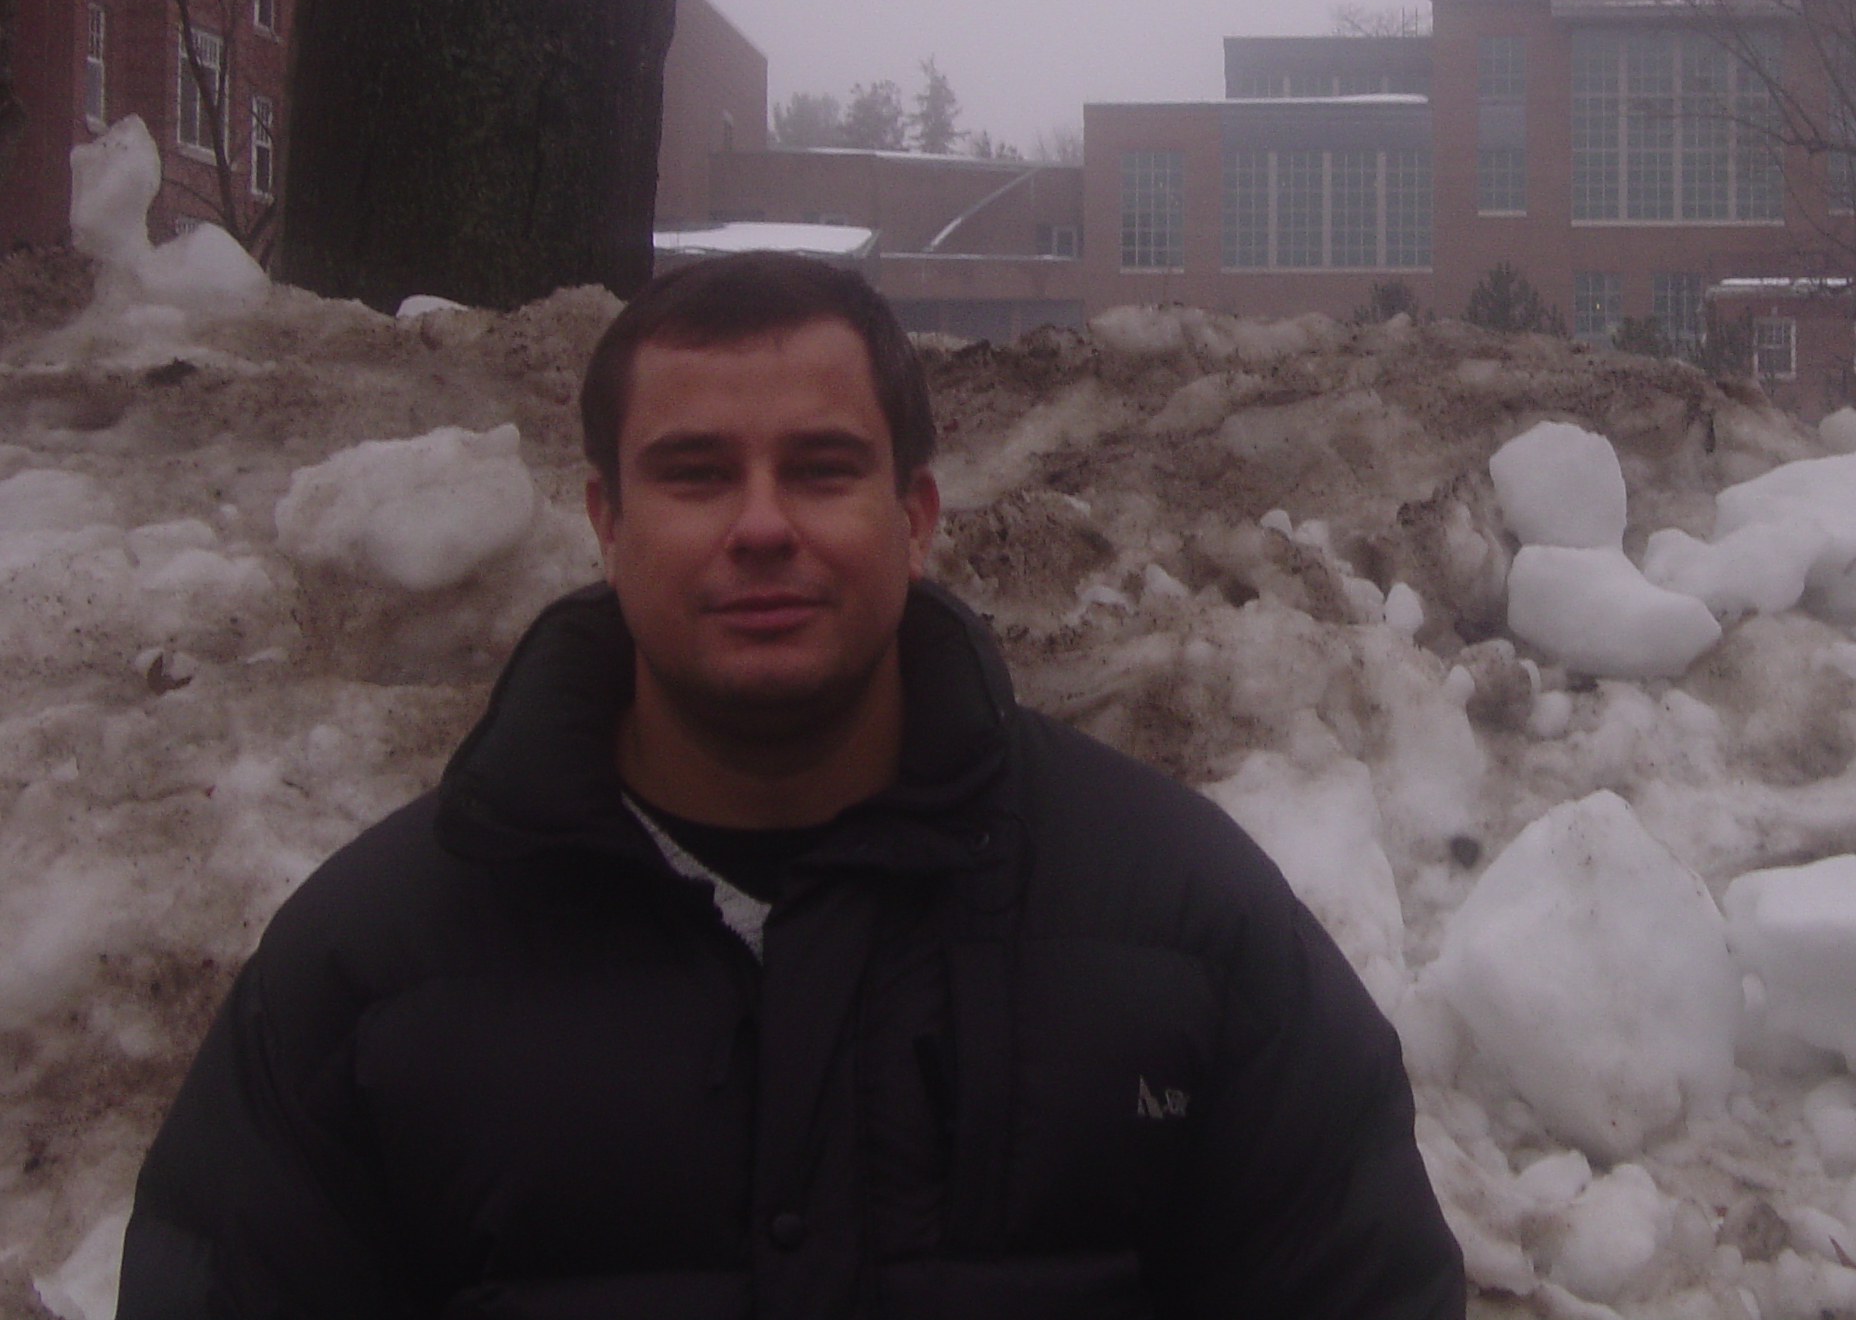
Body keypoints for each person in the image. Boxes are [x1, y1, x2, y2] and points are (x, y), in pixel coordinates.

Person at [120, 253, 1465, 1320]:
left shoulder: (1185, 926)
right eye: (696, 475)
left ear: (915, 518)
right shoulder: (369, 973)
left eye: (820, 470)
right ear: (604, 522)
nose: (761, 525)